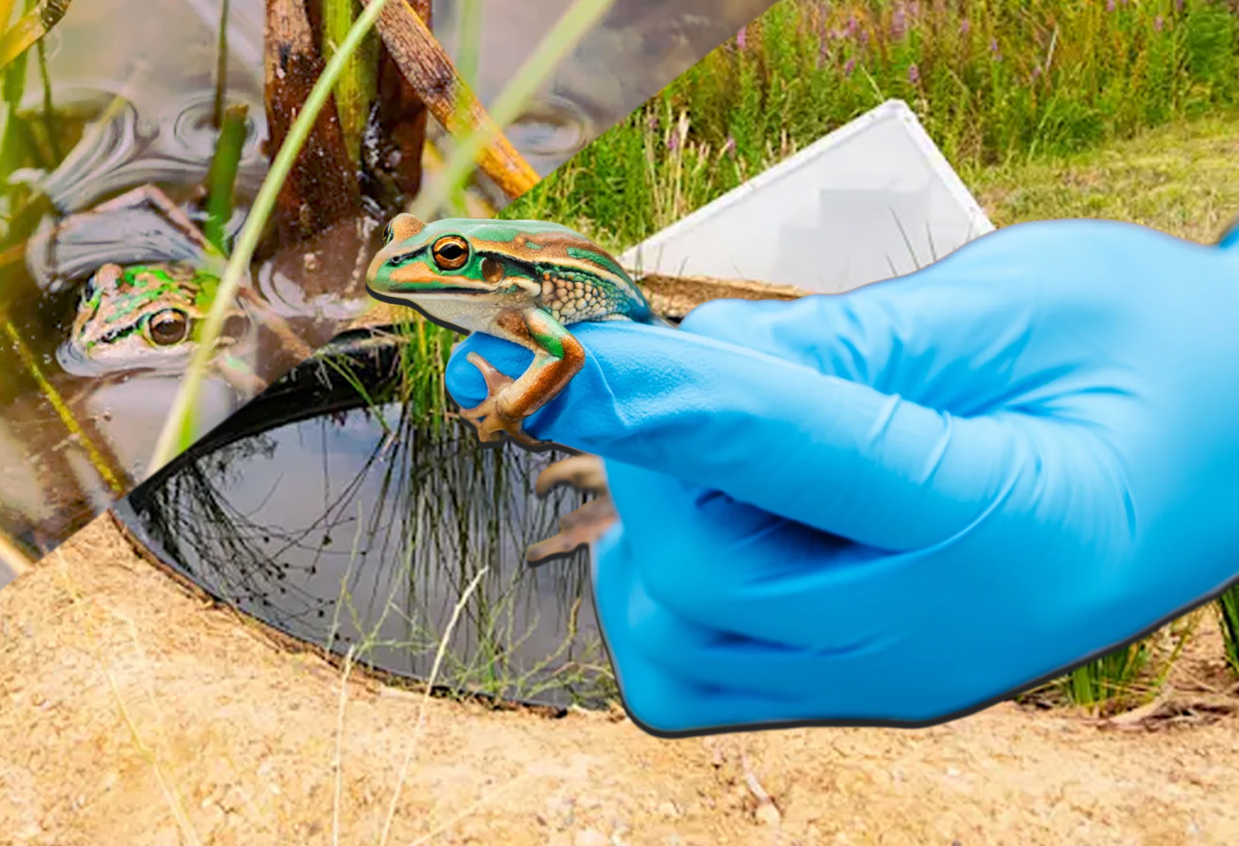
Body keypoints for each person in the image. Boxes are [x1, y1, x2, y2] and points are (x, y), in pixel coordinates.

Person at [445, 217, 1239, 736]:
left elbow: (573, 350)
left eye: (446, 259)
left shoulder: (531, 307)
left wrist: (507, 410)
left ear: (487, 269)